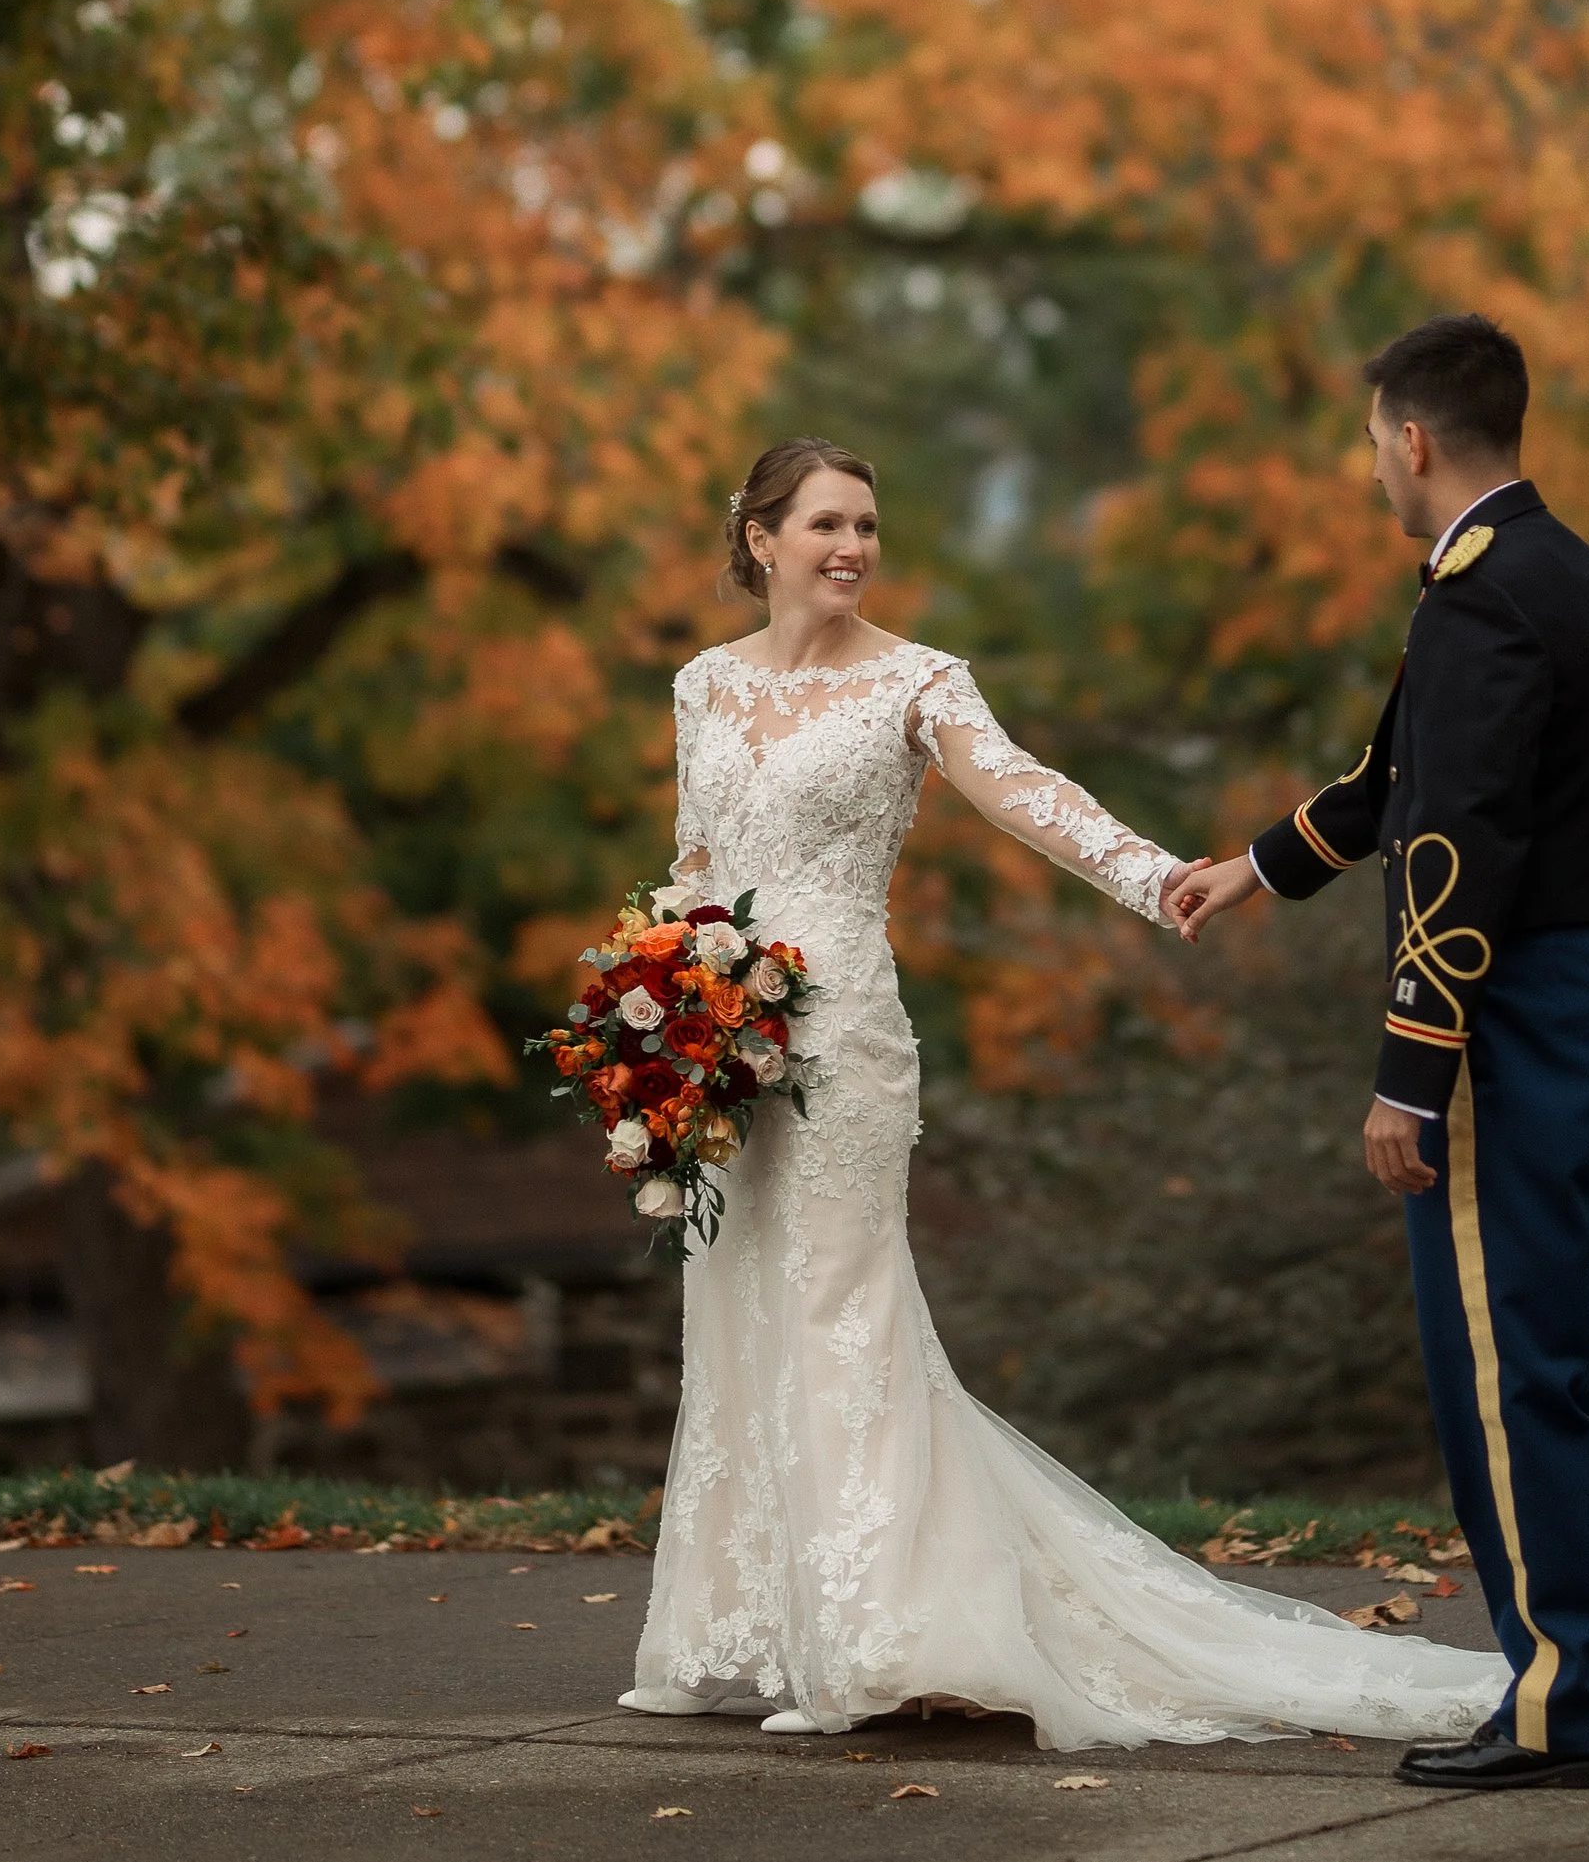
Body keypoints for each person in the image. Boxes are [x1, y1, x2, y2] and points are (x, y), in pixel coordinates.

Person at [622, 435, 1513, 1747]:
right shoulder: (703, 684)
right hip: (718, 1045)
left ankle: (875, 1634)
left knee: (840, 1311)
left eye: (867, 524)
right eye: (825, 524)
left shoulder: (917, 681)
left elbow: (1024, 792)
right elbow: (698, 857)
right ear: (758, 537)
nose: (852, 548)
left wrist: (1157, 876)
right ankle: (741, 1622)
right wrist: (652, 1029)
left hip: (846, 1041)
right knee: (739, 1304)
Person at [1172, 314, 1589, 1794]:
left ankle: (1563, 1696)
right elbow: (1394, 780)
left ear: (1411, 436)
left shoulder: (1478, 598)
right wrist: (1256, 865)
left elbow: (1457, 844)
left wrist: (1412, 1063)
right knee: (1534, 1335)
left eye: (1370, 439)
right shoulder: (1564, 570)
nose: (1371, 466)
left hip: (1504, 1004)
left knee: (1496, 1357)